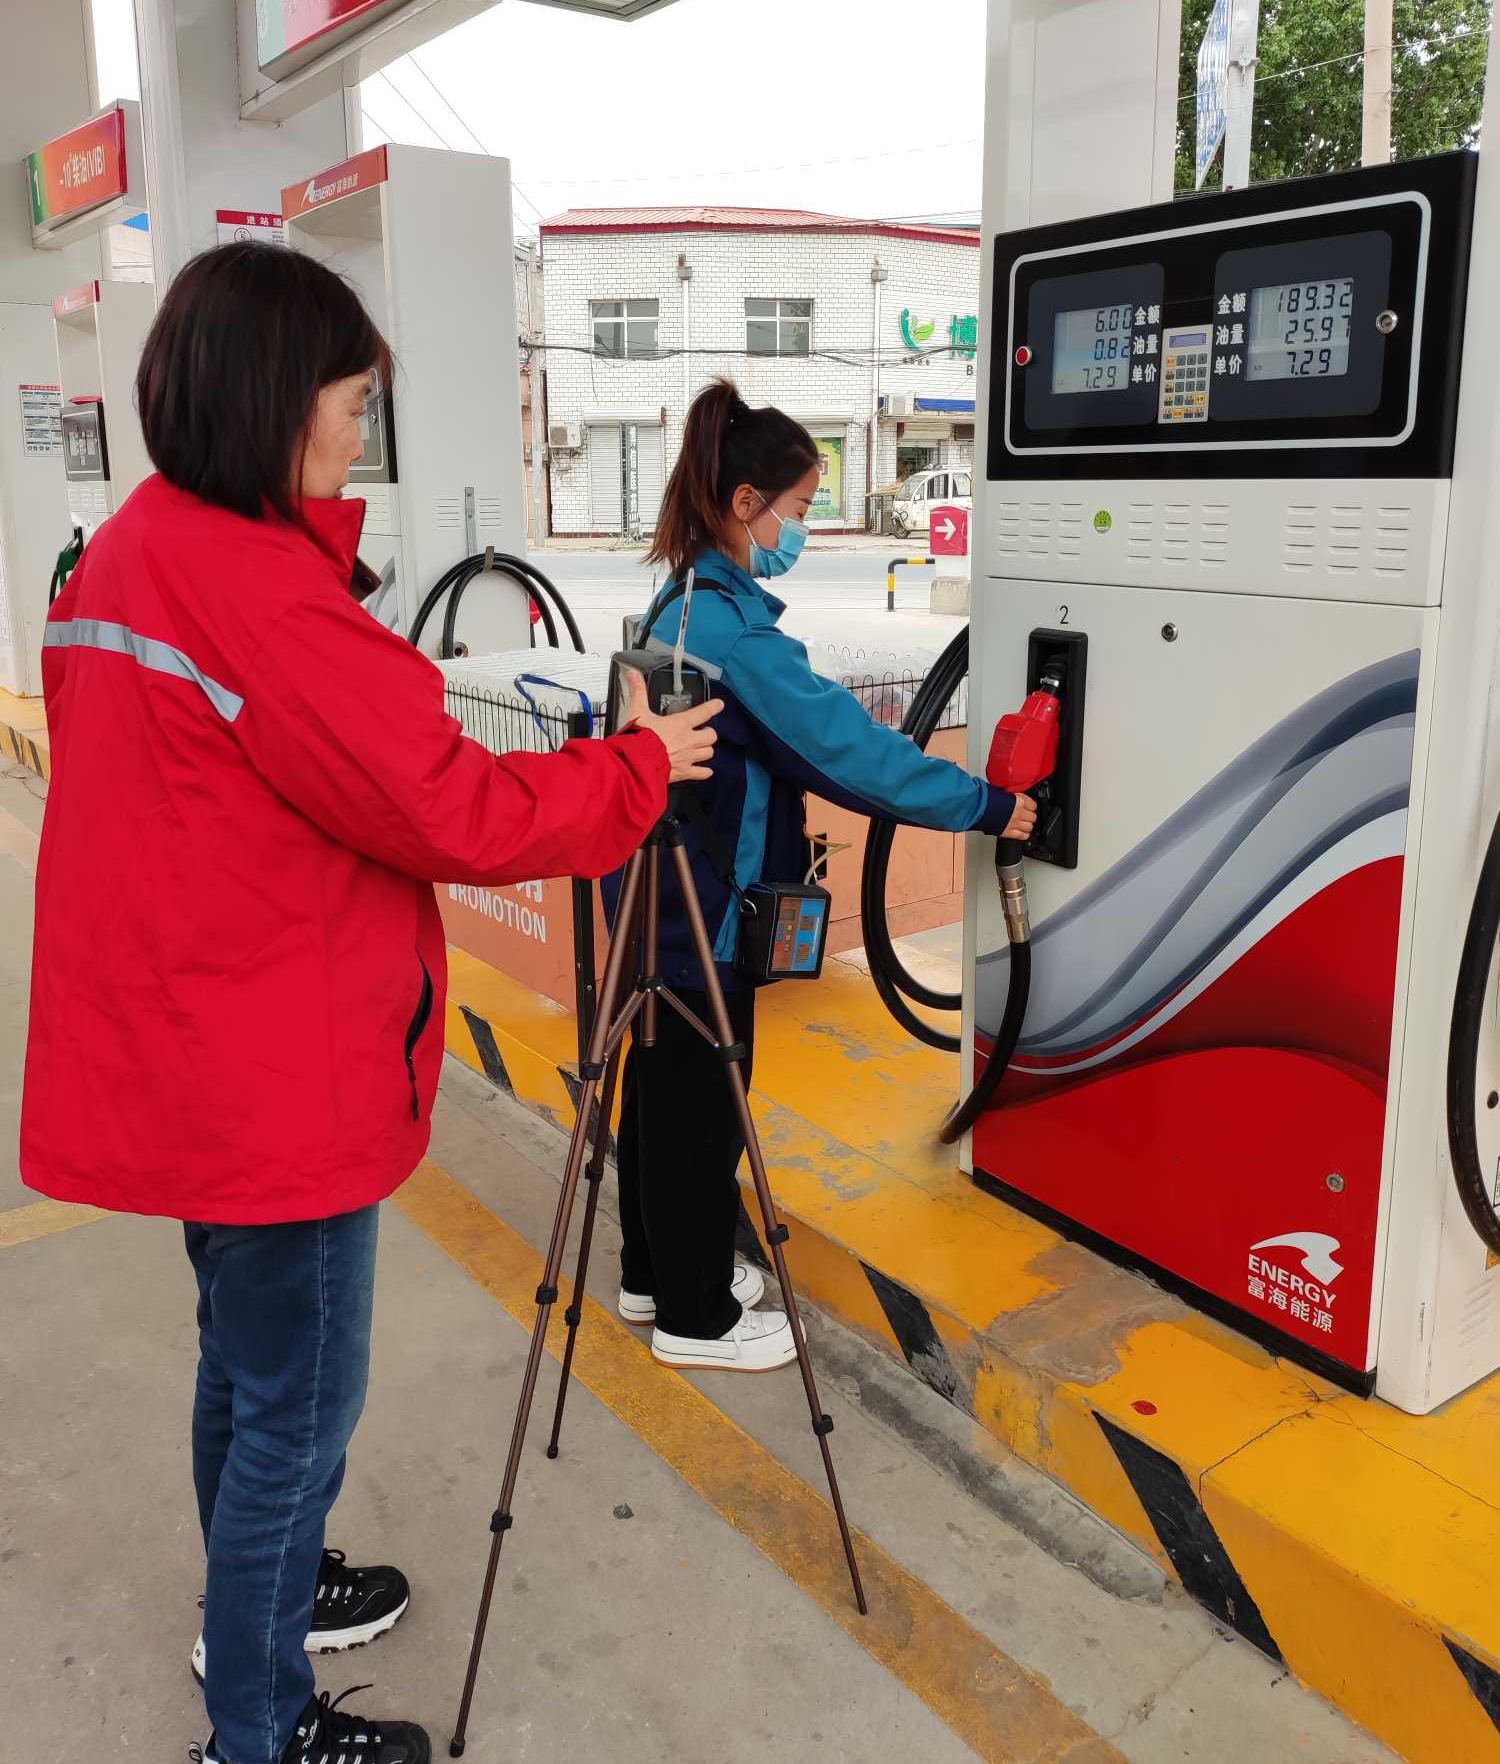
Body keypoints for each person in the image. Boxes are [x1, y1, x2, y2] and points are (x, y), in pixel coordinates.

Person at [19, 244, 722, 1764]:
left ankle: (260, 1601)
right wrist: (638, 766)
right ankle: (259, 1722)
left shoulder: (131, 551)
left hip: (193, 1045)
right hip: (279, 1075)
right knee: (297, 1404)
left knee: (244, 1367)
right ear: (276, 401)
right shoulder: (263, 598)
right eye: (350, 403)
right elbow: (450, 802)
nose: (359, 434)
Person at [610, 378, 1035, 1374]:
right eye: (799, 508)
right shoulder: (734, 633)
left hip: (657, 898)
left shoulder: (678, 602)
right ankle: (696, 1318)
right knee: (703, 1106)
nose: (802, 529)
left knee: (661, 1092)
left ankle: (653, 1274)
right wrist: (984, 804)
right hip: (708, 912)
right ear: (745, 502)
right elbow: (849, 752)